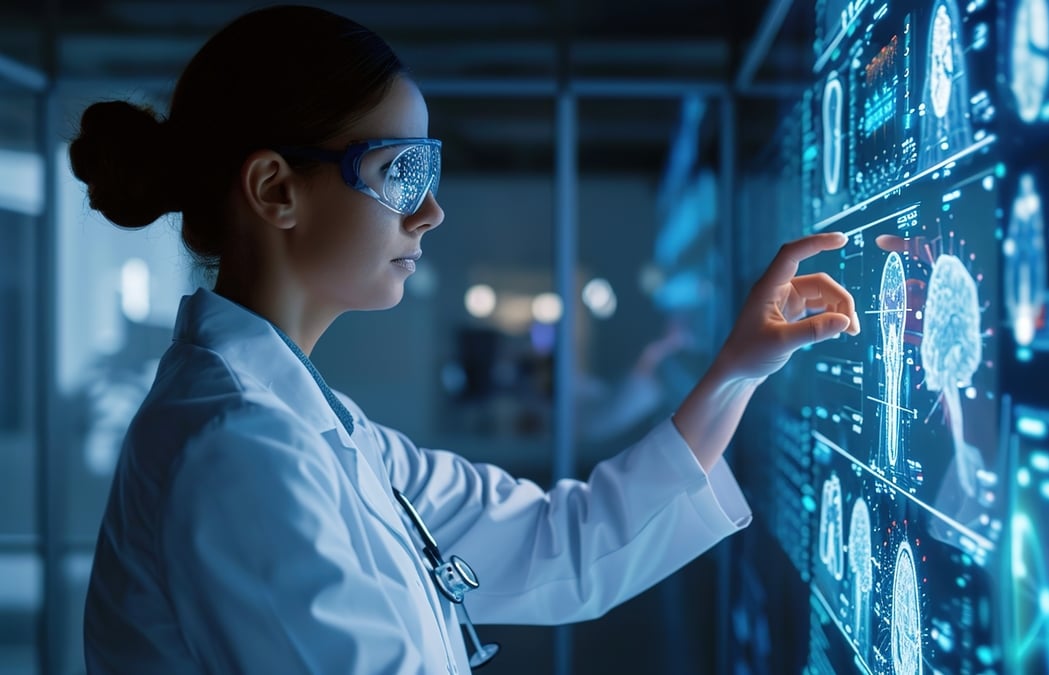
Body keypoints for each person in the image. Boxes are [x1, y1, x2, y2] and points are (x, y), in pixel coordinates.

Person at [69, 5, 860, 674]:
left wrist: (737, 370)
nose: (430, 213)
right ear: (277, 190)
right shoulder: (237, 448)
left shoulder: (318, 428)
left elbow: (563, 542)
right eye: (400, 173)